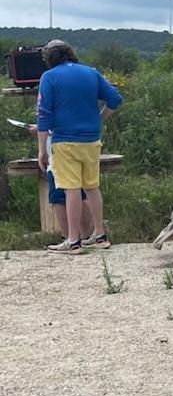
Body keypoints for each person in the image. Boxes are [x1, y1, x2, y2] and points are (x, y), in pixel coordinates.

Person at [35, 39, 122, 255]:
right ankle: (100, 235)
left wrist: (41, 150)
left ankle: (74, 241)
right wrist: (98, 120)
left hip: (64, 140)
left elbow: (43, 115)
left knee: (71, 189)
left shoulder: (49, 77)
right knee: (91, 186)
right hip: (91, 139)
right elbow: (115, 99)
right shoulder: (91, 72)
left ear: (49, 58)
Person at [28, 124, 93, 250]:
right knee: (81, 193)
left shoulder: (48, 104)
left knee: (58, 197)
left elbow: (53, 122)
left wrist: (41, 130)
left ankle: (69, 237)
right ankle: (85, 236)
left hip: (58, 155)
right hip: (81, 147)